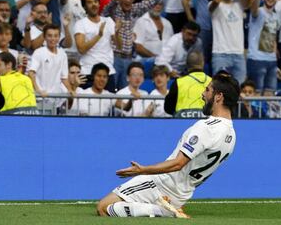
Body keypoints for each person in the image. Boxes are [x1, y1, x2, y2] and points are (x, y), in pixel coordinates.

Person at [97, 72, 240, 218]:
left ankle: (162, 211)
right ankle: (164, 207)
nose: (203, 94)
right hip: (181, 195)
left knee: (104, 207)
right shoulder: (231, 135)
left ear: (218, 96)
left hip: (161, 184)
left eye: (207, 90)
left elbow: (178, 164)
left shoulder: (207, 126)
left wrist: (142, 170)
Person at [102, 0, 176, 90]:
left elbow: (152, 1)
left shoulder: (134, 9)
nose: (128, 0)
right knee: (110, 91)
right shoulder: (113, 10)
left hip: (128, 58)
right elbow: (108, 6)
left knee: (126, 92)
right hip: (113, 57)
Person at [74, 0, 121, 93]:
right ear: (85, 6)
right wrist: (98, 36)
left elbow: (119, 47)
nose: (94, 4)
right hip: (88, 71)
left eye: (95, 1)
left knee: (108, 106)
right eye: (90, 2)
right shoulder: (80, 24)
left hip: (108, 72)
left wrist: (117, 33)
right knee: (87, 107)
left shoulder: (108, 21)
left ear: (99, 4)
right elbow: (81, 49)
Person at [209, 0, 253, 84]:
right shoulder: (212, 4)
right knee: (219, 87)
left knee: (239, 87)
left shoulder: (239, 4)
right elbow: (216, 1)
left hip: (239, 54)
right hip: (220, 54)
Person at [28, 24, 71, 114]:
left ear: (59, 37)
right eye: (50, 36)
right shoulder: (39, 52)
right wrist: (38, 90)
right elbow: (31, 73)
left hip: (56, 101)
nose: (53, 39)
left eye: (56, 36)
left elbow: (64, 77)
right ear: (44, 37)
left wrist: (71, 90)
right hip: (40, 100)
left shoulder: (63, 54)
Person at [247, 0, 279, 96]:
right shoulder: (258, 12)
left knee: (271, 95)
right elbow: (254, 8)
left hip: (272, 61)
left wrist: (275, 59)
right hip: (256, 60)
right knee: (256, 94)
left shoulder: (276, 16)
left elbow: (273, 37)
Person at [164, 51, 211, 118]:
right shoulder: (212, 82)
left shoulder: (178, 82)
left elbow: (168, 108)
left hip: (182, 123)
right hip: (207, 123)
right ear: (202, 63)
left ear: (187, 64)